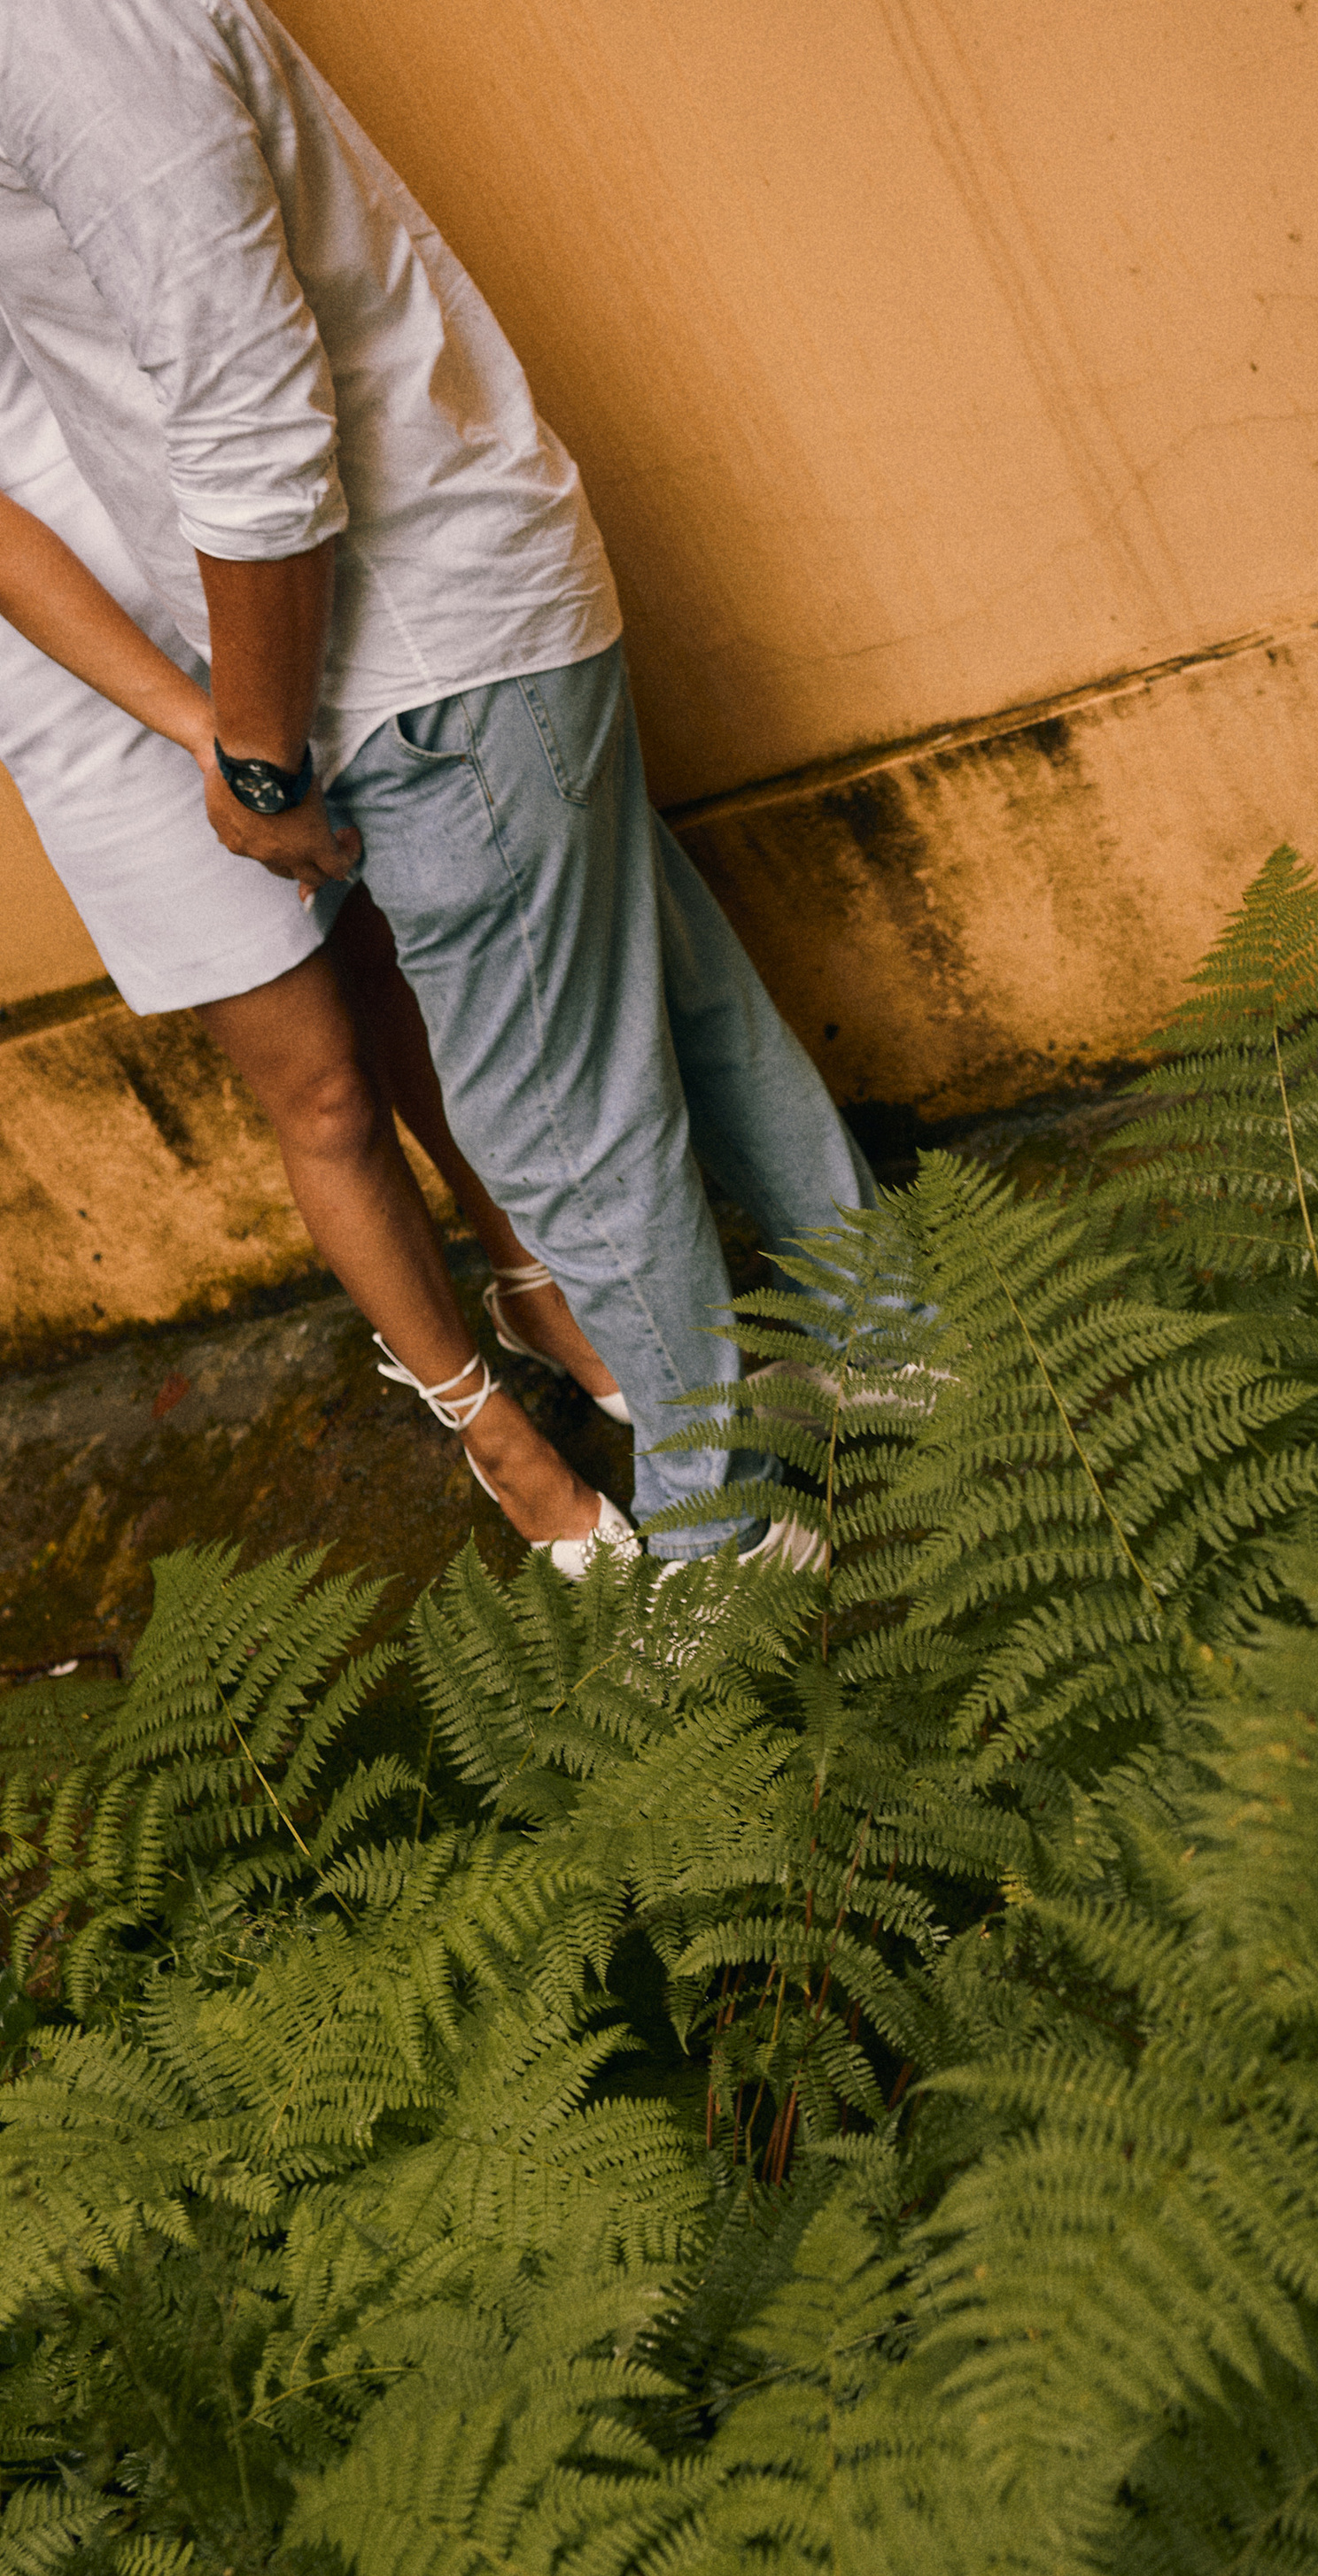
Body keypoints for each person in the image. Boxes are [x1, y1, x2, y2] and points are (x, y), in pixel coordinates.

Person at [0, 0, 868, 1565]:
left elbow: (256, 418)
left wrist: (255, 761)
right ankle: (911, 1342)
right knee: (683, 1009)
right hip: (445, 625)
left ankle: (726, 1539)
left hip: (418, 656)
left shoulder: (57, 36)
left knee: (559, 1133)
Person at [0, 325, 638, 1571]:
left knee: (399, 970)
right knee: (325, 1089)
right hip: (83, 685)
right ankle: (492, 1432)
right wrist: (214, 739)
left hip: (242, 585)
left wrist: (252, 677)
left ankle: (529, 1277)